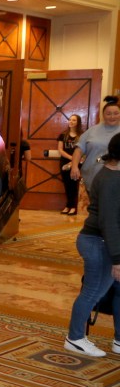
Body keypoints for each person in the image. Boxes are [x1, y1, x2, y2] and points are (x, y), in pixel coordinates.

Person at [64, 132, 120, 358]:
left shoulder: (112, 175)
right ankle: (75, 338)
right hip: (98, 242)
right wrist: (118, 259)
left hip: (104, 241)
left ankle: (118, 340)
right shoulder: (111, 180)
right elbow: (109, 222)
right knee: (92, 292)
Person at [70, 96, 120, 195]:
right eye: (108, 114)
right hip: (93, 175)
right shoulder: (92, 131)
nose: (112, 116)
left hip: (116, 176)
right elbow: (79, 149)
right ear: (103, 115)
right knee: (95, 207)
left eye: (116, 113)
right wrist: (74, 166)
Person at [58, 114, 83, 215]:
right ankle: (68, 205)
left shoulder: (82, 135)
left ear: (78, 123)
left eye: (74, 120)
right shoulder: (63, 135)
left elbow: (83, 150)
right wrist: (71, 158)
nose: (71, 122)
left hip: (77, 164)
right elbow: (60, 149)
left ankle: (73, 206)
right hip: (65, 163)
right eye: (70, 120)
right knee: (67, 185)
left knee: (74, 185)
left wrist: (75, 161)